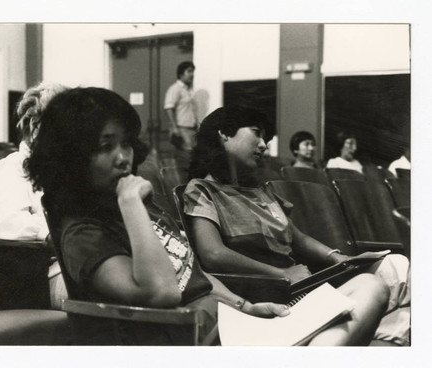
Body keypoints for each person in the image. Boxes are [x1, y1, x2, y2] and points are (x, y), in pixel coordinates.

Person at [26, 87, 388, 346]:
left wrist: (247, 306)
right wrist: (132, 204)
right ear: (72, 158)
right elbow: (163, 293)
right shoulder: (84, 232)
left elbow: (193, 275)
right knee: (363, 297)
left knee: (367, 286)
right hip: (197, 341)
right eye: (106, 147)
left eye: (126, 143)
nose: (124, 157)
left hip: (232, 325)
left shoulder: (135, 206)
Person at [184, 106, 410, 346]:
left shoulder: (259, 192)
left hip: (301, 287)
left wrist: (338, 258)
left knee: (399, 267)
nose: (264, 145)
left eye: (266, 139)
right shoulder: (201, 189)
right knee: (376, 288)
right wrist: (281, 273)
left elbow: (296, 237)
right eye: (256, 133)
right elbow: (212, 254)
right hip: (272, 297)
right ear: (224, 134)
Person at [0, 81, 69, 309]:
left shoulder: (67, 169)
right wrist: (63, 236)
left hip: (78, 263)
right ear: (35, 125)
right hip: (45, 275)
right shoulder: (11, 167)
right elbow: (11, 223)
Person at [164, 61, 199, 151]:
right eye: (189, 71)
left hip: (191, 130)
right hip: (181, 129)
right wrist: (175, 128)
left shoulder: (188, 90)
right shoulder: (175, 89)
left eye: (193, 72)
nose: (192, 75)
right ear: (181, 74)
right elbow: (169, 108)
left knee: (193, 157)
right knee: (187, 157)